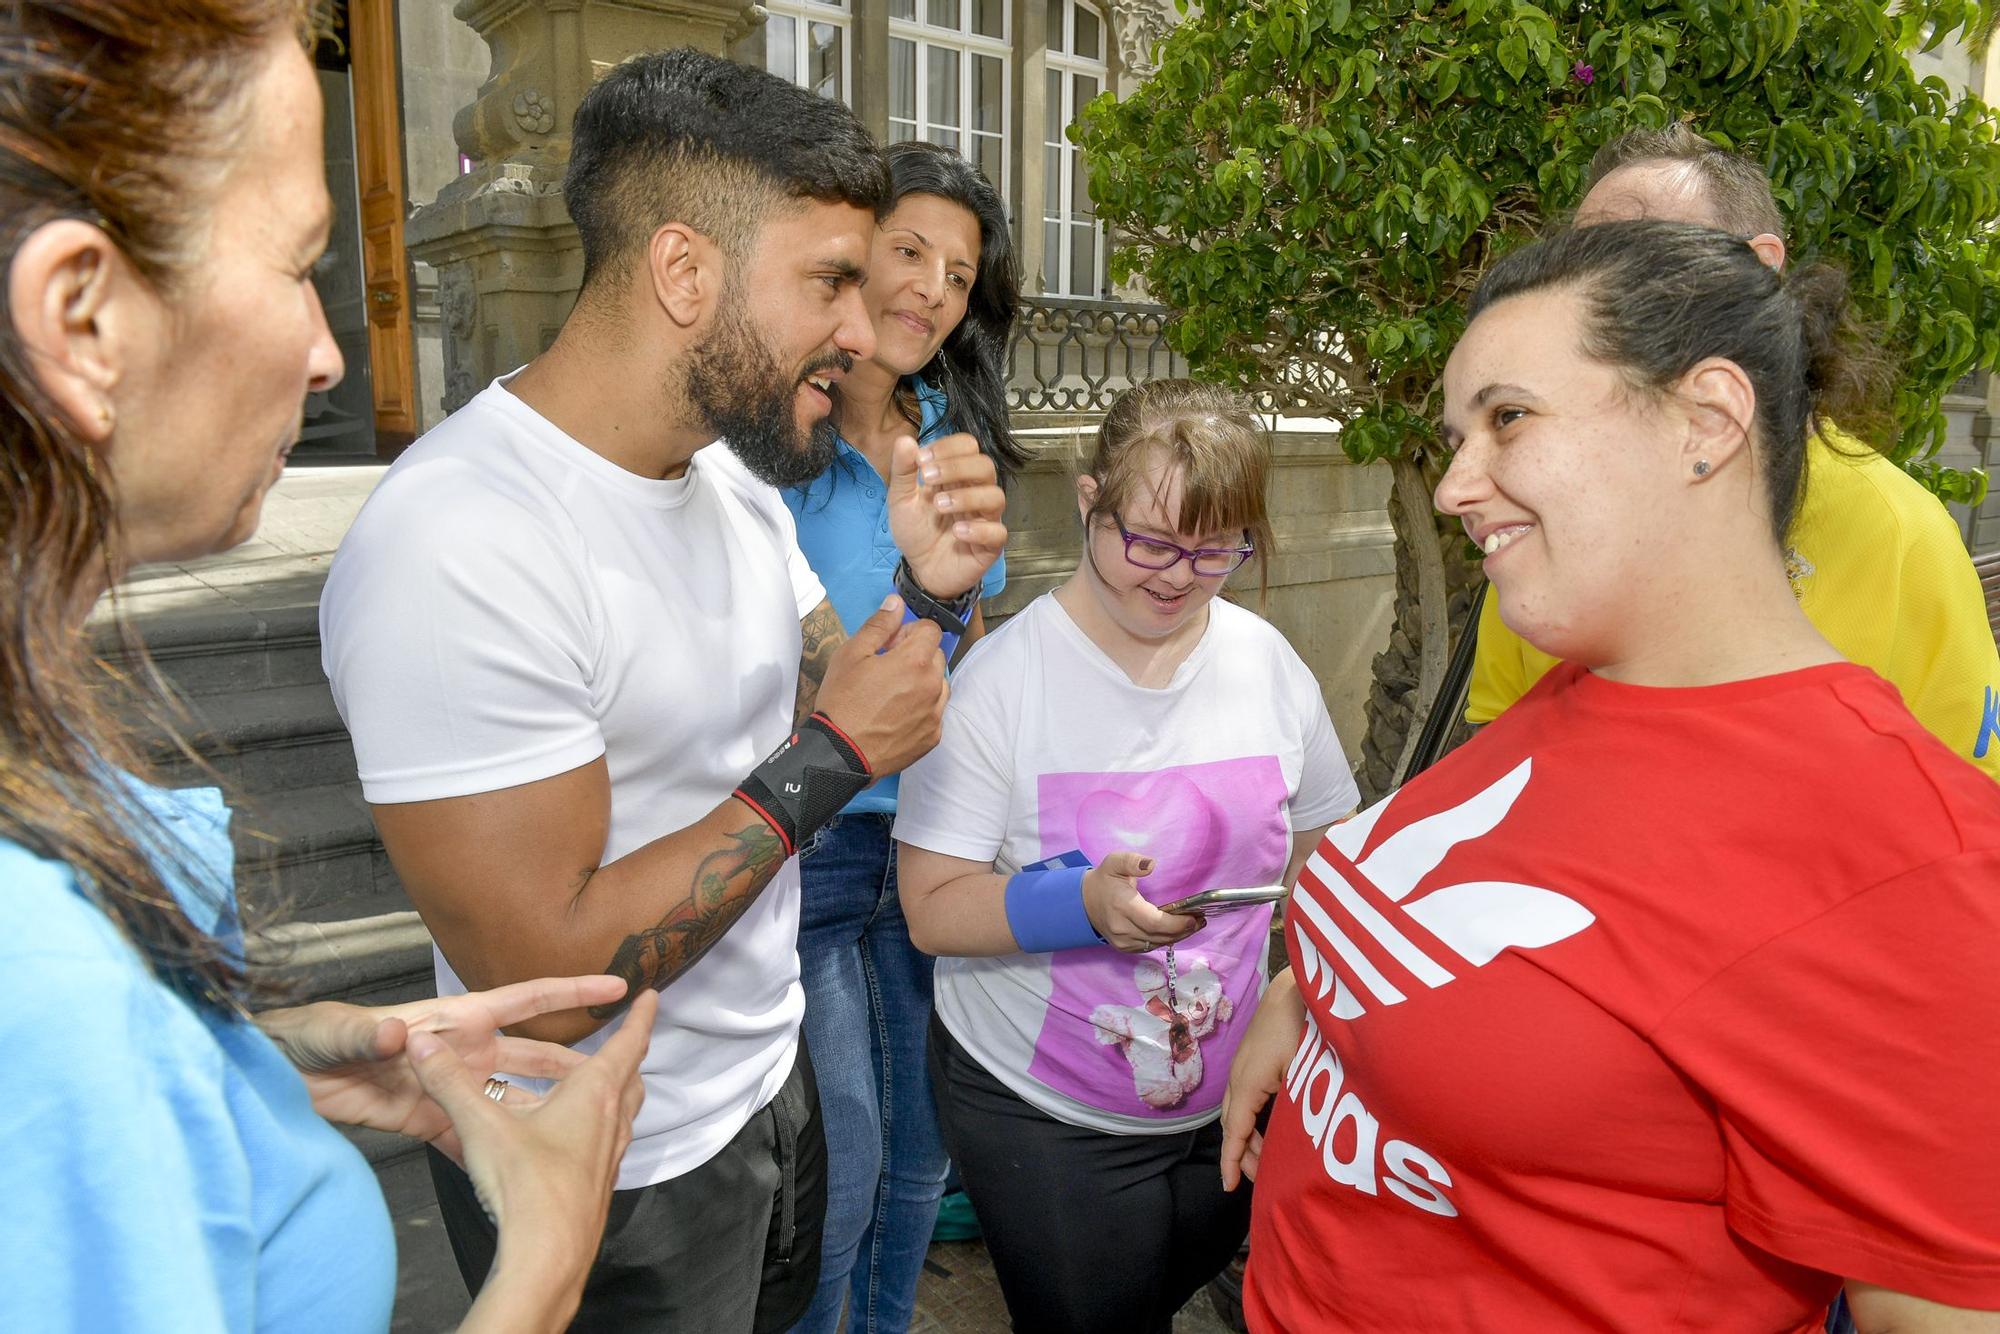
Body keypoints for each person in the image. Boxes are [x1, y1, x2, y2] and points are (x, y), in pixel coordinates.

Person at [320, 49, 1008, 1333]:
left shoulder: (731, 476)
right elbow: (542, 956)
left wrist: (933, 593)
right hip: (606, 1165)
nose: (865, 333)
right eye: (830, 283)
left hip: (764, 1077)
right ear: (684, 272)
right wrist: (834, 756)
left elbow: (840, 688)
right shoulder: (461, 541)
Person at [0, 2, 654, 1329]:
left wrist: (244, 1065)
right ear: (78, 316)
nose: (326, 350)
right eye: (301, 262)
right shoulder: (42, 997)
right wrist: (547, 1251)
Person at [1223, 220, 2000, 1331]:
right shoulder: (1584, 677)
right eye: (1456, 434)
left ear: (1704, 423)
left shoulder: (1911, 858)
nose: (1453, 486)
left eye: (1506, 418)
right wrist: (1313, 997)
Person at [896, 379, 1360, 1334]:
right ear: (1087, 499)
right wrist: (1081, 907)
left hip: (1230, 1095)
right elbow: (932, 905)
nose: (1177, 575)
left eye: (1215, 550)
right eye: (1147, 540)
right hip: (1048, 1114)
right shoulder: (1001, 681)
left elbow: (1325, 854)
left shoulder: (1268, 662)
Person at [1465, 125, 2000, 781]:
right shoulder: (1535, 517)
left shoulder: (1899, 533)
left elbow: (1959, 816)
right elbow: (1498, 750)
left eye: (1636, 253)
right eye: (1578, 256)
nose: (1584, 291)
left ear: (1758, 266)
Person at [780, 139, 1027, 1334]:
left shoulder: (949, 432)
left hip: (932, 844)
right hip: (809, 846)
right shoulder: (770, 449)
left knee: (920, 1162)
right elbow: (815, 675)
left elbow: (963, 655)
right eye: (909, 250)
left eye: (958, 273)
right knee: (840, 1168)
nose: (930, 287)